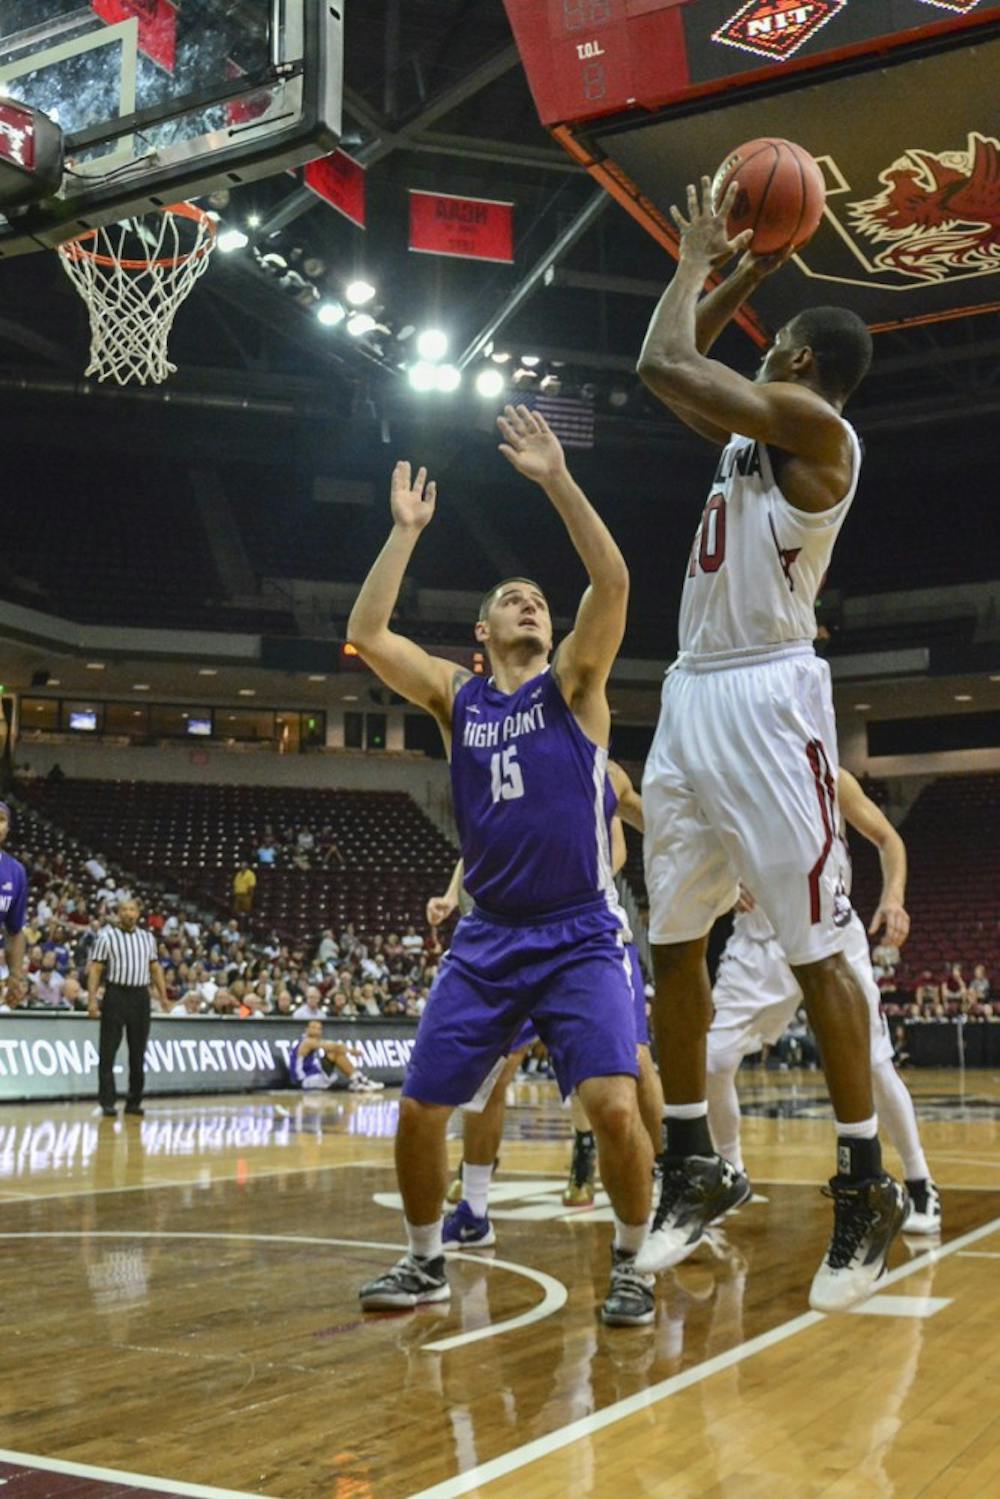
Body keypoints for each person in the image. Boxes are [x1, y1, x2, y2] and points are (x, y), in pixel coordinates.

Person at [635, 175, 904, 1312]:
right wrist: (747, 271)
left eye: (771, 339)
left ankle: (866, 1183)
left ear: (795, 359)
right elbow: (680, 372)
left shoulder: (818, 431)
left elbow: (662, 359)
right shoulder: (754, 428)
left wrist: (697, 258)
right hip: (691, 690)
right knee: (673, 937)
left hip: (766, 697)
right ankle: (692, 1158)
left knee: (815, 948)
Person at [348, 412, 654, 1327]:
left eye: (538, 600)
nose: (530, 603)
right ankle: (424, 1261)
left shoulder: (575, 684)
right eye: (512, 599)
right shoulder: (458, 697)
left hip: (579, 932)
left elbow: (613, 580)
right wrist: (404, 533)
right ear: (481, 629)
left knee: (613, 1106)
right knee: (417, 1110)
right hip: (488, 937)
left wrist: (557, 479)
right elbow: (367, 631)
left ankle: (633, 1260)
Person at [701, 769, 940, 1248]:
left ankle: (920, 1184)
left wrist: (893, 898)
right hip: (759, 942)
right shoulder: (730, 773)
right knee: (713, 1060)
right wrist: (723, 883)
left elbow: (888, 839)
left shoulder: (827, 771)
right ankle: (731, 1172)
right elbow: (706, 854)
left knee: (874, 1065)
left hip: (829, 931)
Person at [434, 760, 665, 1247]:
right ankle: (474, 1206)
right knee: (490, 1075)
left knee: (631, 1065)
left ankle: (670, 1177)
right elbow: (481, 840)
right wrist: (453, 893)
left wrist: (718, 859)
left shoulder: (597, 767)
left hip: (585, 934)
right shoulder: (504, 753)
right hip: (512, 939)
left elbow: (637, 832)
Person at [87, 899, 167, 1118]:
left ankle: (134, 1101)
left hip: (140, 996)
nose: (128, 913)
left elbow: (155, 968)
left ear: (138, 913)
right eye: (124, 909)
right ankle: (107, 1102)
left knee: (138, 1052)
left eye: (132, 909)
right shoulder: (106, 937)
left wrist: (164, 996)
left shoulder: (148, 938)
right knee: (108, 1051)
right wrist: (92, 1000)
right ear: (118, 913)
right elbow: (96, 969)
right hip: (116, 994)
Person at [286, 1018, 384, 1093]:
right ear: (307, 1030)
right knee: (334, 1052)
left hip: (311, 1077)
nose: (317, 1030)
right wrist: (351, 1051)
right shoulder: (307, 1042)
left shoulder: (311, 1042)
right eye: (313, 1028)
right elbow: (333, 1046)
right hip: (304, 1080)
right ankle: (358, 1080)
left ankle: (358, 1080)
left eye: (319, 1028)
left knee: (335, 1052)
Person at [0, 802, 28, 1011]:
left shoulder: (16, 872)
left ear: (8, 828)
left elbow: (15, 931)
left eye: (1, 820)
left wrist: (15, 976)